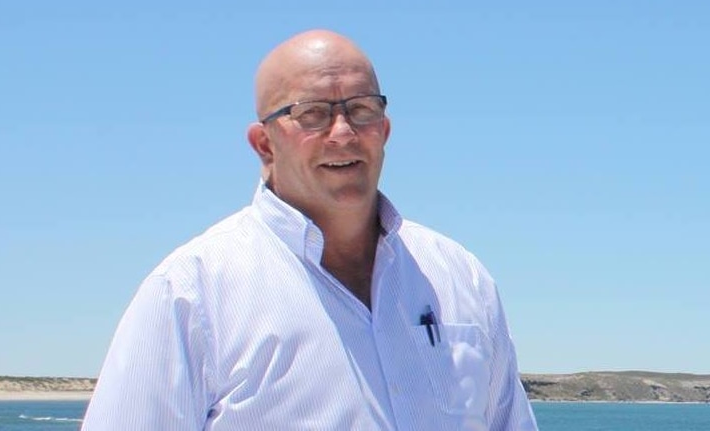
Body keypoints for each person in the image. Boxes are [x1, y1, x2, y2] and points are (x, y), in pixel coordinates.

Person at [81, 29, 538, 431]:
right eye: (313, 114)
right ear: (264, 145)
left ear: (385, 129)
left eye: (361, 110)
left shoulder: (460, 278)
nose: (343, 133)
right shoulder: (190, 294)